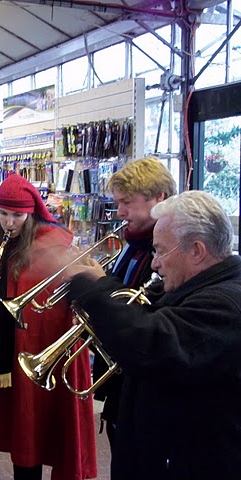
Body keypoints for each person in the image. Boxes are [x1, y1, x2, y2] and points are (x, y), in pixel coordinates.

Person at [65, 189, 241, 479]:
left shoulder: (226, 303)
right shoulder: (188, 290)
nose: (155, 263)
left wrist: (96, 289)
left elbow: (152, 345)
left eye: (160, 250)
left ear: (196, 251)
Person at [0, 173, 97, 480]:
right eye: (3, 213)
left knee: (30, 427)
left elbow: (55, 310)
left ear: (32, 213)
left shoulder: (52, 244)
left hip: (28, 348)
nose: (9, 222)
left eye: (17, 215)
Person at [93, 156, 176, 448]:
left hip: (146, 388)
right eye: (117, 203)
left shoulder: (167, 253)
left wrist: (97, 286)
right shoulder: (134, 243)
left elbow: (144, 312)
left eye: (127, 202)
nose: (120, 212)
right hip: (121, 386)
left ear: (159, 198)